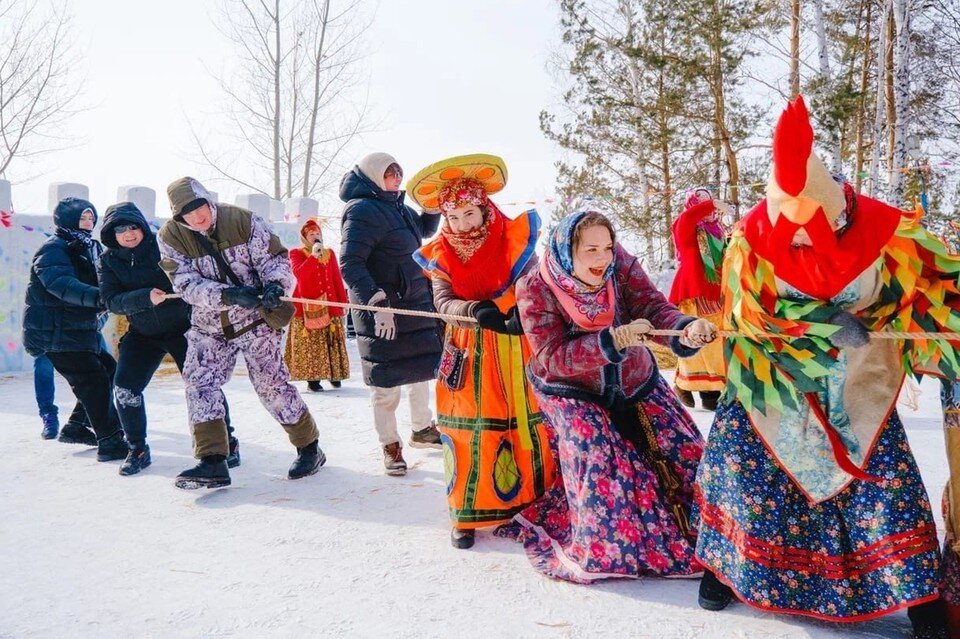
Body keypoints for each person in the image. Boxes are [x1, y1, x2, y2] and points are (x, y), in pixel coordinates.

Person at [693, 97, 952, 638]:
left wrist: (924, 324)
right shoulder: (750, 236)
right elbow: (747, 311)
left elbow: (936, 287)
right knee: (742, 469)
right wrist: (820, 321)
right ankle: (726, 569)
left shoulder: (889, 231)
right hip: (773, 382)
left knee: (883, 487)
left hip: (859, 382)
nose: (799, 242)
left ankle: (917, 596)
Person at [512, 209, 716, 583]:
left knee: (688, 455)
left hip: (634, 378)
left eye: (607, 247)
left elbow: (652, 307)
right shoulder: (534, 287)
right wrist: (612, 340)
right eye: (591, 250)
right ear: (567, 251)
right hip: (572, 388)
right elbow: (553, 357)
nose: (603, 257)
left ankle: (721, 542)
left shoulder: (619, 265)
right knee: (600, 459)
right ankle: (610, 548)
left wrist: (685, 328)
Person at [410, 154, 558, 549]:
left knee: (525, 423)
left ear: (484, 209)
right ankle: (465, 512)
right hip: (467, 348)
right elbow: (443, 302)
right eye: (453, 217)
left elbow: (533, 285)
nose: (462, 224)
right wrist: (475, 311)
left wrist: (522, 311)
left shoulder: (514, 240)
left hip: (515, 343)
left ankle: (531, 505)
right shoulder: (440, 253)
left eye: (469, 214)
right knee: (465, 428)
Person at [158, 177, 324, 489]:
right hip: (209, 324)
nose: (195, 217)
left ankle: (309, 447)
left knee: (270, 385)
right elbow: (184, 283)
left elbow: (275, 260)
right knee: (199, 383)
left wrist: (275, 286)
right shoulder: (171, 236)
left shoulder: (243, 221)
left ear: (208, 201)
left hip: (255, 320)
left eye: (198, 207)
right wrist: (228, 295)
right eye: (186, 213)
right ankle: (212, 460)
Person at [99, 201, 239, 476]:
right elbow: (111, 300)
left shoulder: (163, 246)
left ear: (142, 227)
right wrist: (144, 298)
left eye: (132, 227)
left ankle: (228, 442)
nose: (128, 234)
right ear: (112, 235)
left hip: (183, 329)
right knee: (125, 387)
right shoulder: (108, 261)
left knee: (203, 384)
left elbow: (190, 275)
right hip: (143, 334)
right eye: (120, 230)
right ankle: (137, 448)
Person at [339, 152, 444, 476]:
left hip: (412, 303)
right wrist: (375, 301)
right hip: (382, 309)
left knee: (419, 372)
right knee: (386, 385)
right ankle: (390, 444)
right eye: (389, 174)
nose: (396, 179)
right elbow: (350, 263)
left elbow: (421, 230)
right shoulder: (361, 210)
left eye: (398, 173)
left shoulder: (398, 206)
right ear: (372, 176)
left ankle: (422, 428)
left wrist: (431, 208)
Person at [22, 197, 127, 461]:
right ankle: (110, 440)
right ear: (67, 219)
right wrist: (101, 298)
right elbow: (61, 284)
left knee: (108, 370)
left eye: (91, 217)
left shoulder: (88, 247)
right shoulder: (53, 249)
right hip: (57, 332)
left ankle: (77, 426)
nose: (88, 222)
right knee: (93, 381)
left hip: (79, 330)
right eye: (82, 217)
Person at [668, 188, 728, 410]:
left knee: (716, 341)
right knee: (695, 338)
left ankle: (710, 390)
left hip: (716, 292)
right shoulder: (684, 225)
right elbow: (689, 217)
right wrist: (711, 205)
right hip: (693, 292)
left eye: (709, 201)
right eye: (701, 202)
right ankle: (683, 384)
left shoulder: (717, 230)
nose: (709, 208)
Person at [284, 218, 350, 392]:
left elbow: (336, 278)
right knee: (311, 345)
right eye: (311, 234)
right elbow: (300, 274)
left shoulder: (330, 253)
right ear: (305, 237)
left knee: (331, 340)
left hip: (329, 305)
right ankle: (313, 380)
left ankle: (334, 374)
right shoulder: (296, 253)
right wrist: (313, 256)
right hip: (307, 309)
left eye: (317, 233)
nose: (315, 236)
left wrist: (342, 302)